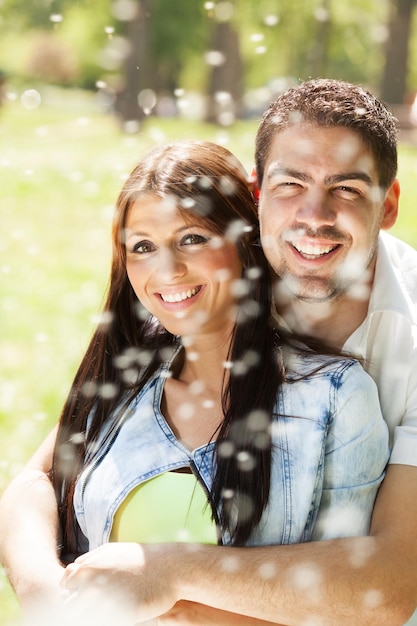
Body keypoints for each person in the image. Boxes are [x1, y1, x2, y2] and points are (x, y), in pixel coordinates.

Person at [2, 77, 417, 624]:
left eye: (347, 189)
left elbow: (388, 582)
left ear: (387, 205)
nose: (314, 216)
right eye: (291, 184)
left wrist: (169, 576)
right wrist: (47, 596)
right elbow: (40, 477)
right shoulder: (213, 287)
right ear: (257, 194)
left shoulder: (369, 367)